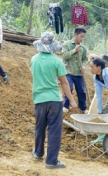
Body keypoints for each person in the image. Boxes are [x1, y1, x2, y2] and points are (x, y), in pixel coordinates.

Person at [30, 32, 77, 169]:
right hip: (54, 100)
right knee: (54, 130)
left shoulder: (34, 59)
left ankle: (38, 153)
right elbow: (64, 83)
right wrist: (72, 101)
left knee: (39, 127)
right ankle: (51, 161)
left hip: (39, 99)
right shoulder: (57, 61)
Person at [61, 27, 88, 113]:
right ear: (75, 35)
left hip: (79, 74)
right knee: (69, 88)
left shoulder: (83, 48)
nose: (82, 38)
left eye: (84, 37)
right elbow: (64, 56)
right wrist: (74, 51)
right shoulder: (67, 44)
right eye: (81, 36)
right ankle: (65, 106)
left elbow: (85, 59)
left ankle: (83, 108)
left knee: (82, 91)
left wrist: (83, 66)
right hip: (68, 72)